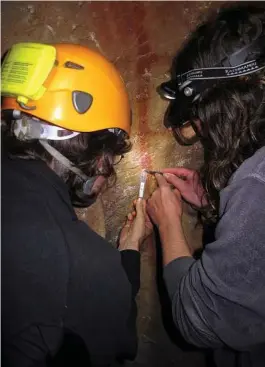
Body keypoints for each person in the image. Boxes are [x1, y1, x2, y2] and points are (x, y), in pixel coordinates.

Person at [1, 42, 153, 366]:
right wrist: (128, 253)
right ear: (97, 157)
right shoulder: (90, 265)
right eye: (111, 155)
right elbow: (121, 341)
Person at [147, 4, 265, 367]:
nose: (199, 130)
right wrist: (218, 199)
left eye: (199, 116)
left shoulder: (257, 184)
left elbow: (200, 321)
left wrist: (169, 225)